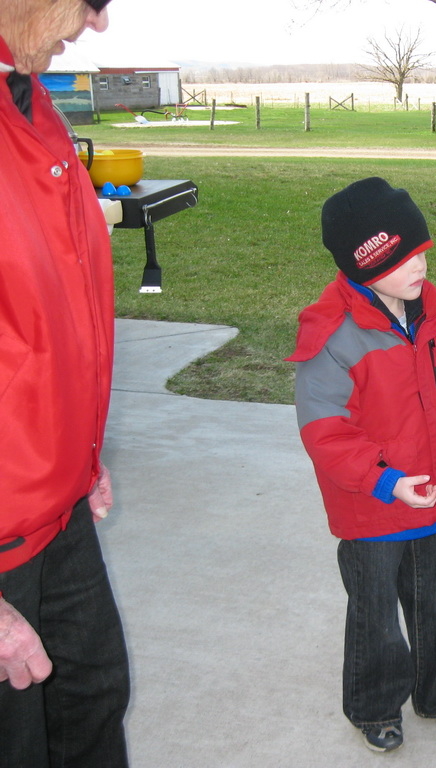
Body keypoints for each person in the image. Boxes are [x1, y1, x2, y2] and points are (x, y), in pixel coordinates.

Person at [288, 177, 436, 754]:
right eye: (405, 256)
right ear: (366, 263)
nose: (421, 265)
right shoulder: (332, 337)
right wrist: (385, 481)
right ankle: (374, 703)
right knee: (376, 616)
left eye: (423, 251)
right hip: (373, 508)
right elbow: (324, 432)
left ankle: (435, 690)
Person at [0, 1, 131, 766]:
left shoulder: (32, 102)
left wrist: (79, 445)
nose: (97, 24)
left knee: (92, 699)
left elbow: (47, 310)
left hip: (57, 499)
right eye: (91, 2)